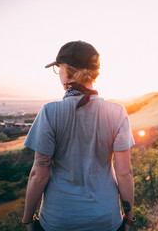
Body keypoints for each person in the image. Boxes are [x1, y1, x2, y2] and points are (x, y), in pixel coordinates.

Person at [22, 40, 135, 231]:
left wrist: (27, 220)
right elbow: (125, 173)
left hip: (59, 220)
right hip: (106, 219)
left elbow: (38, 174)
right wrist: (129, 218)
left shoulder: (50, 112)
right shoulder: (117, 112)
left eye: (58, 69)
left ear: (67, 71)